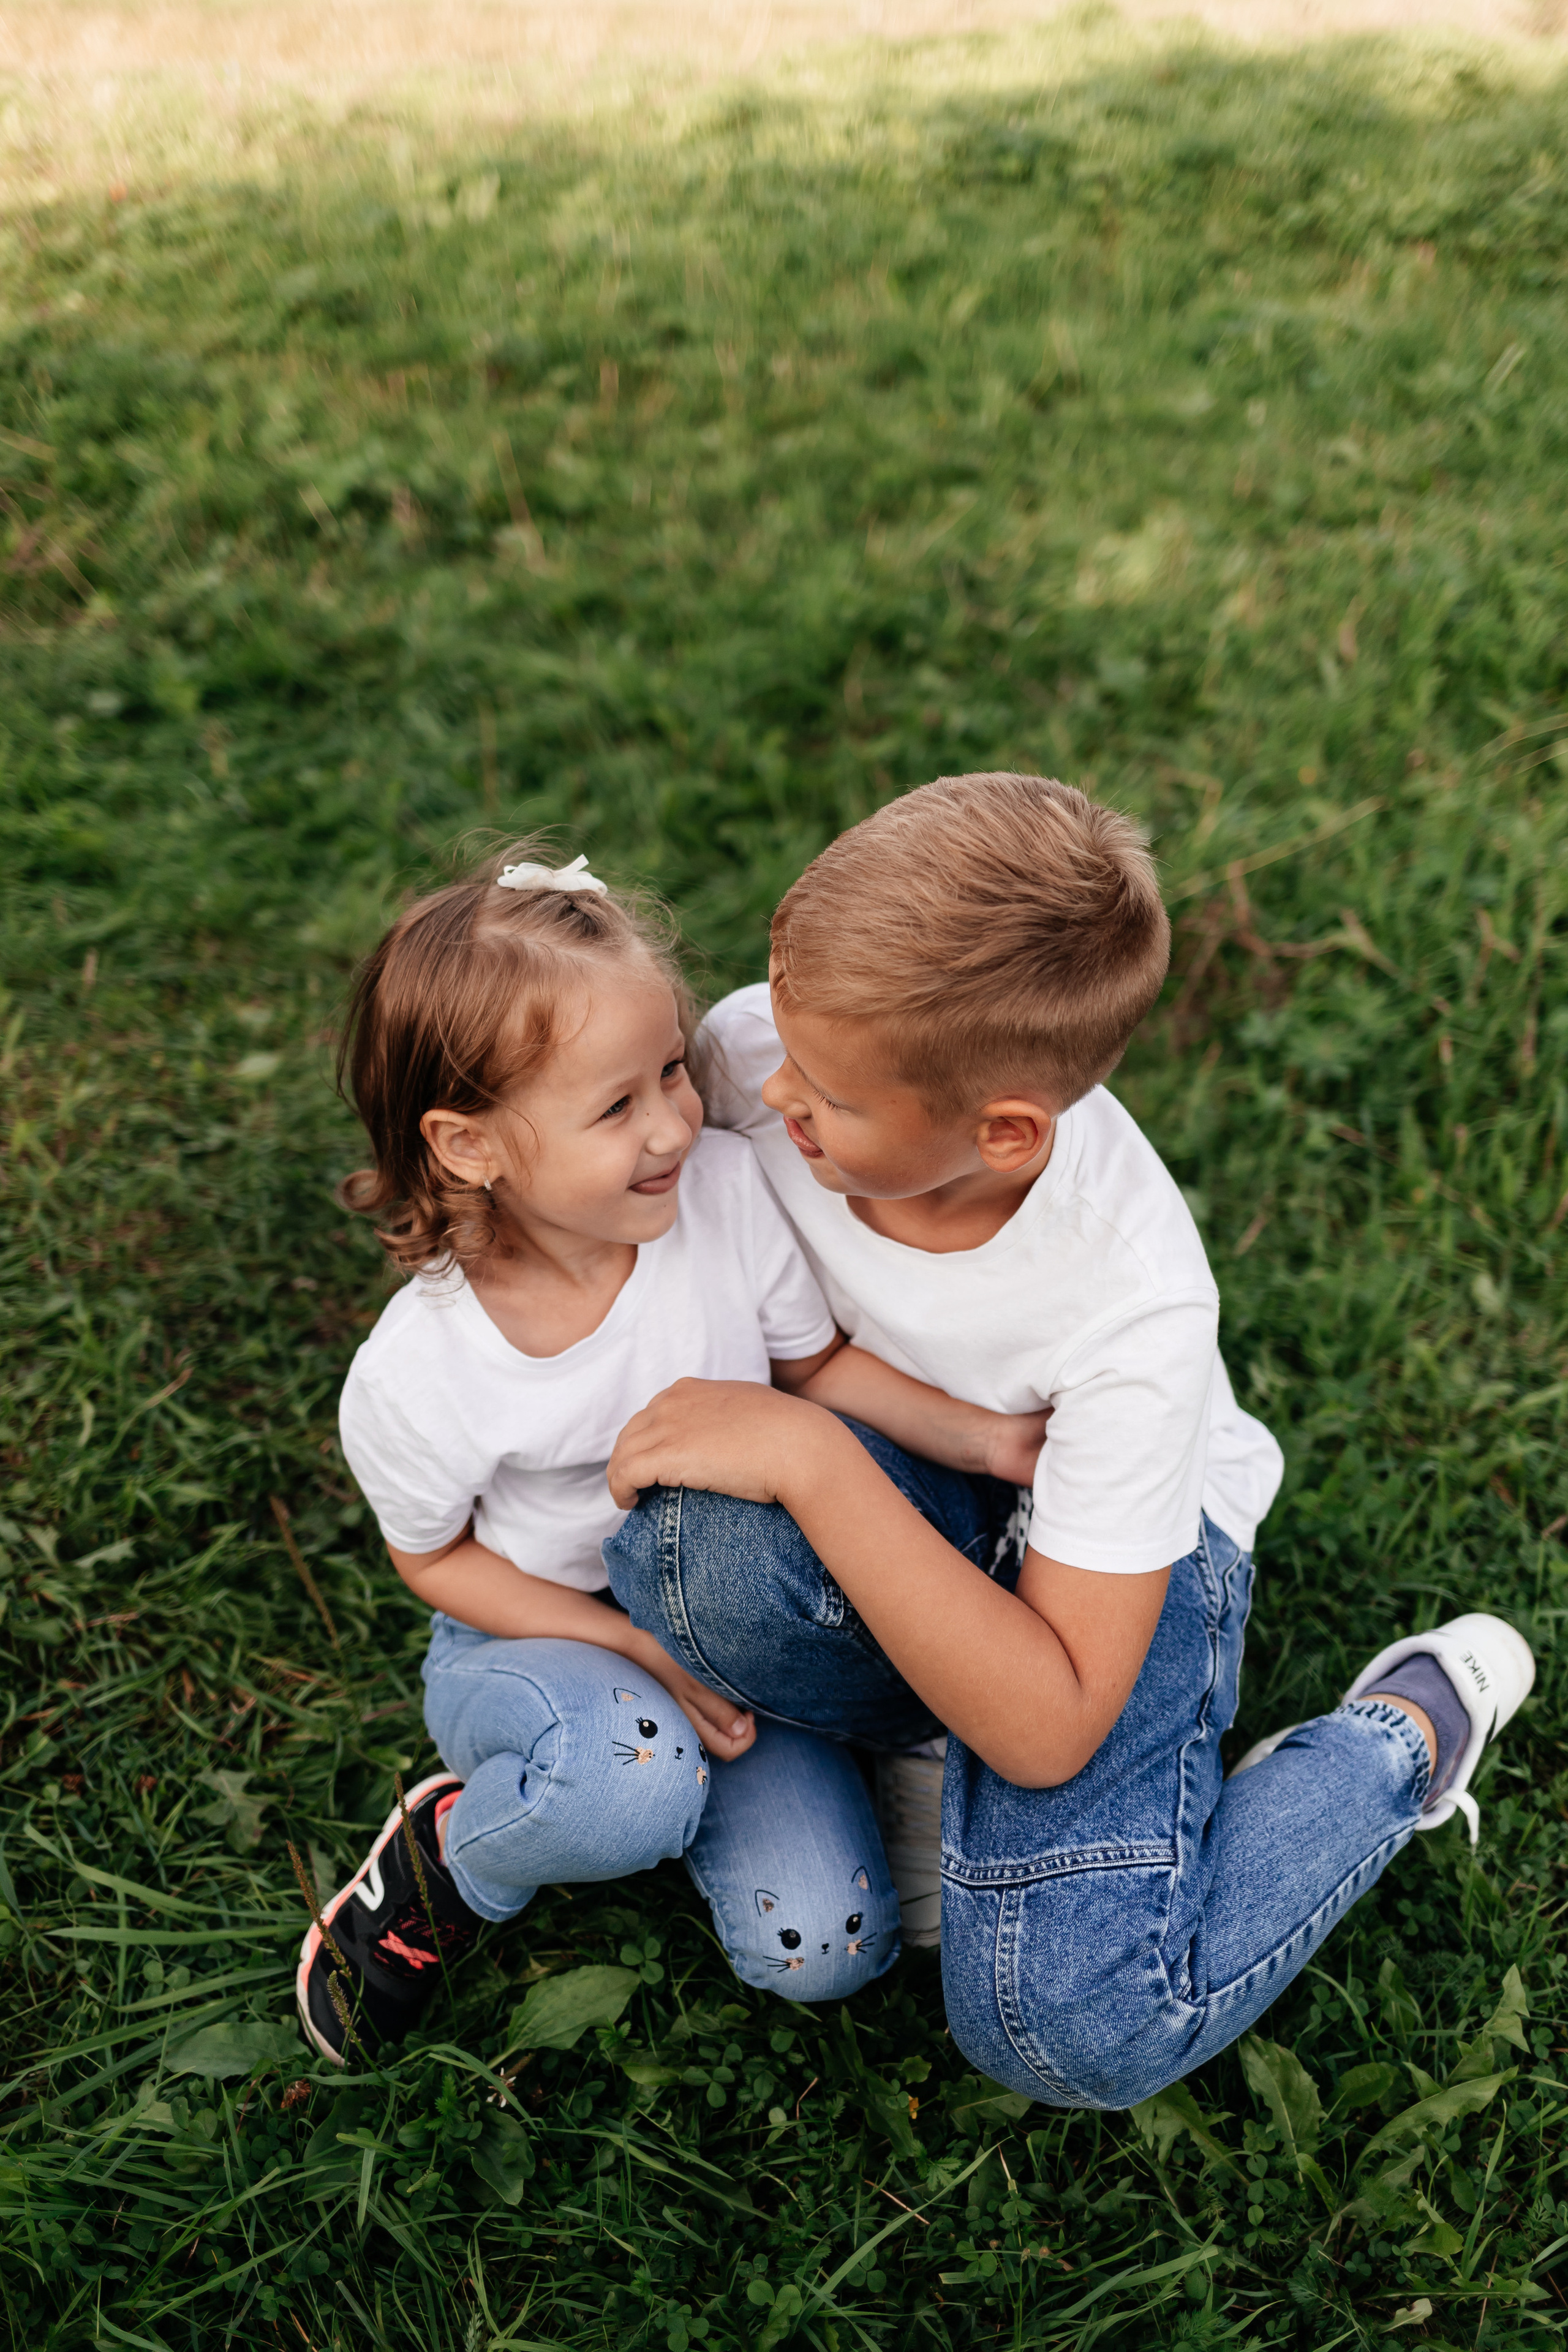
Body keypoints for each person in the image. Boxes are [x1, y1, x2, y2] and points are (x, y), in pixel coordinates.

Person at [603, 772, 1535, 2108]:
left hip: (1116, 1559)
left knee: (1069, 2027)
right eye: (778, 1042)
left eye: (828, 1094)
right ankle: (949, 1742)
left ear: (1002, 1133)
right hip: (939, 1465)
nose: (766, 1087)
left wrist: (800, 1450)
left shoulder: (1131, 1307)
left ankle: (1391, 1745)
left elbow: (1047, 1726)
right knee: (688, 1557)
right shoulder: (783, 1052)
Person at [297, 841, 1047, 2064]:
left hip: (724, 1621)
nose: (673, 1126)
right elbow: (432, 1560)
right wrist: (632, 1646)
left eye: (669, 1073)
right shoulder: (420, 1371)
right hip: (533, 1629)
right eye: (616, 1106)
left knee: (827, 1946)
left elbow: (812, 1371)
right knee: (631, 1772)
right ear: (469, 1146)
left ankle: (717, 1785)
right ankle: (461, 1857)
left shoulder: (723, 1192)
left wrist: (984, 1436)